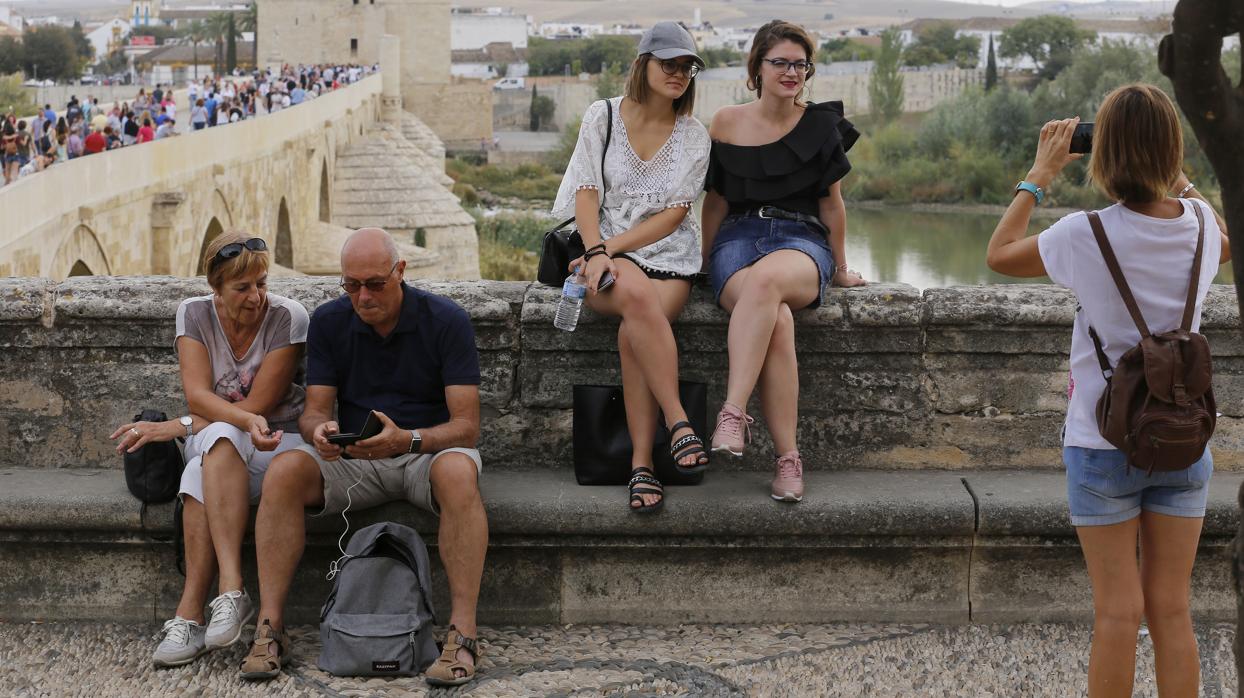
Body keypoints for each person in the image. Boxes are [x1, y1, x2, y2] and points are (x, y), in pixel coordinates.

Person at [985, 84, 1232, 698]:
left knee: (1118, 614)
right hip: (1184, 439)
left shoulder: (1082, 233)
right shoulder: (1201, 227)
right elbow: (1228, 241)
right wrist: (1181, 180)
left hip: (1101, 442)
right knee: (1173, 611)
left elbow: (999, 254)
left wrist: (1039, 174)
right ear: (1170, 150)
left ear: (1104, 155)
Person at [244, 228, 489, 686]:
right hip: (356, 455)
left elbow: (466, 426)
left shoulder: (446, 320)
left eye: (374, 284)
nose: (362, 296)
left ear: (401, 272)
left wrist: (408, 440)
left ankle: (462, 634)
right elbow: (314, 412)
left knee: (460, 472)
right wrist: (321, 433)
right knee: (284, 471)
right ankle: (270, 627)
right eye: (351, 285)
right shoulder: (331, 321)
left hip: (424, 451)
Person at [110, 230, 310, 669]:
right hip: (227, 442)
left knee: (204, 461)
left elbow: (256, 409)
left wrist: (174, 427)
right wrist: (190, 420)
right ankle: (229, 595)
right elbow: (200, 398)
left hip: (278, 442)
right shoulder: (193, 315)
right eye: (242, 288)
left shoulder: (288, 317)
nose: (256, 296)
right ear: (215, 288)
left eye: (262, 283)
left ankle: (193, 611)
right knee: (218, 444)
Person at [700, 20, 863, 503]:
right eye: (780, 63)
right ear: (757, 67)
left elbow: (832, 204)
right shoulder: (727, 122)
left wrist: (841, 265)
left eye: (800, 64)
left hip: (801, 240)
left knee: (770, 281)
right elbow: (715, 203)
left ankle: (732, 413)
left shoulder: (821, 126)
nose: (791, 72)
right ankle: (788, 461)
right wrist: (705, 261)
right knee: (779, 321)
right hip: (738, 239)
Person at [551, 21, 711, 513]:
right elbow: (585, 190)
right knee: (637, 300)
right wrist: (598, 250)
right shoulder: (601, 116)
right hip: (597, 255)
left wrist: (614, 247)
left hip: (669, 257)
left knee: (634, 330)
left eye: (687, 67)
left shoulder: (694, 136)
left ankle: (642, 465)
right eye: (670, 64)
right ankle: (679, 423)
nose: (679, 74)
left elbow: (674, 215)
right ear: (643, 65)